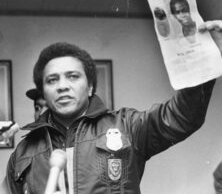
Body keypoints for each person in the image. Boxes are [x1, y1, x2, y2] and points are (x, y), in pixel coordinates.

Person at [4, 21, 222, 194]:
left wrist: (204, 62)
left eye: (72, 76)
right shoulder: (24, 152)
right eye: (52, 80)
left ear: (90, 86)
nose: (62, 86)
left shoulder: (127, 126)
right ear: (43, 91)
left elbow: (181, 117)